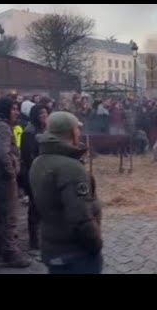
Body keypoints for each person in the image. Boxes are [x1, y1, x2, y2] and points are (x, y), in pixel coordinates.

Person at [29, 111, 103, 274]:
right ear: (71, 132)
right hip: (75, 252)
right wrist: (96, 243)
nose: (79, 132)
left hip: (52, 245)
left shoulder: (39, 161)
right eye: (77, 129)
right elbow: (80, 218)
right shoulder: (71, 168)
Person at [0, 96, 31, 268]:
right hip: (4, 178)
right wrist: (11, 173)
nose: (16, 112)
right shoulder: (3, 127)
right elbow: (2, 154)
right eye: (13, 109)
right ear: (6, 110)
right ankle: (10, 253)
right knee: (9, 216)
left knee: (1, 215)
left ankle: (1, 250)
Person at [20, 104, 48, 251]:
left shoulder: (45, 129)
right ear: (35, 115)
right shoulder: (29, 131)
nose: (44, 115)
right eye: (41, 113)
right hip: (33, 172)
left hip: (44, 171)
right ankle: (34, 240)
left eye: (45, 112)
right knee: (35, 206)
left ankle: (42, 236)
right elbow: (27, 155)